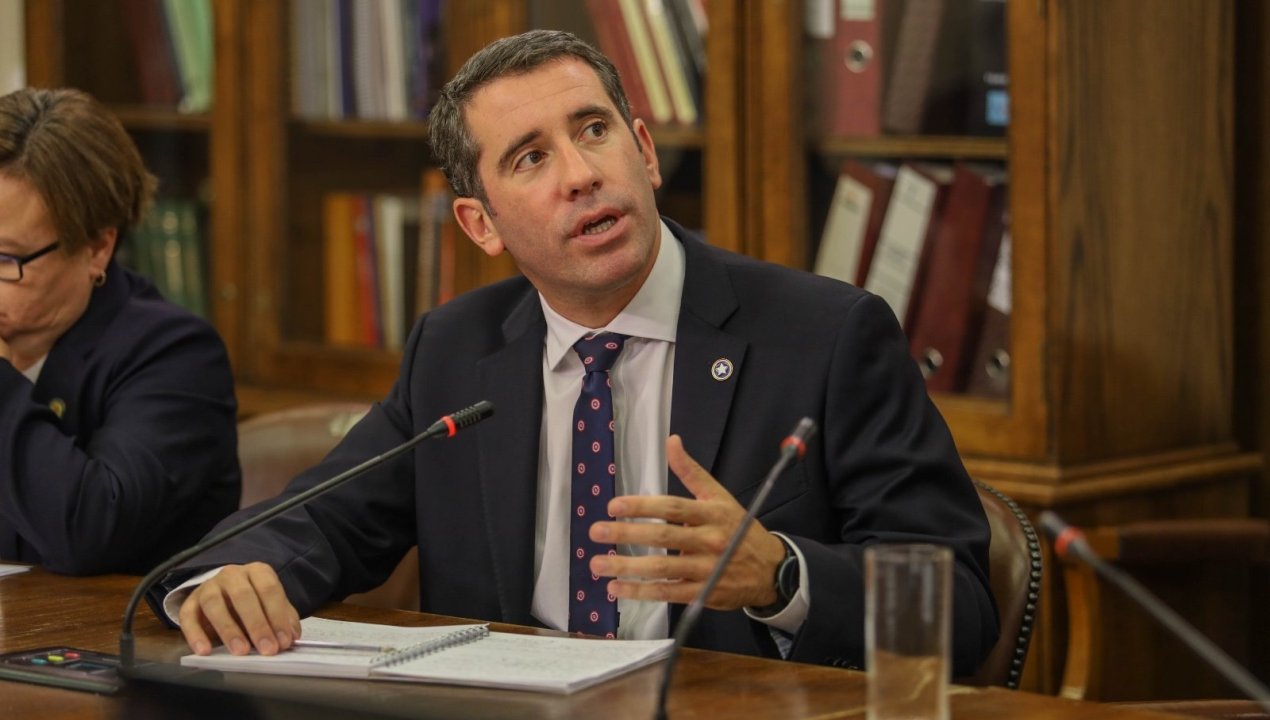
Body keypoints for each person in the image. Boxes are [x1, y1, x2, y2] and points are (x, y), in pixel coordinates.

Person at [163, 30, 998, 674]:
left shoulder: (825, 337)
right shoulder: (456, 350)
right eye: (531, 157)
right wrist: (231, 576)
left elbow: (960, 608)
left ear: (645, 150)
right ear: (480, 224)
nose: (580, 174)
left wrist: (782, 576)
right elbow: (322, 520)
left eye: (594, 130)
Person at [0, 88, 241, 575]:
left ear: (97, 249)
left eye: (6, 258)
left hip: (111, 624)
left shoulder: (176, 355)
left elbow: (89, 531)